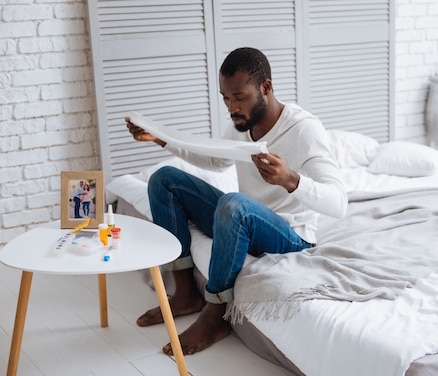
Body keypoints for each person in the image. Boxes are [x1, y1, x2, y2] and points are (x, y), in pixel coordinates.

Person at [125, 47, 347, 356]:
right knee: (164, 179)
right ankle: (186, 292)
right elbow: (216, 161)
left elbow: (339, 202)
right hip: (242, 220)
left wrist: (289, 179)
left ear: (265, 88)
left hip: (290, 235)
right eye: (226, 98)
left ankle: (216, 313)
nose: (232, 107)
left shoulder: (304, 129)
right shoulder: (242, 123)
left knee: (234, 203)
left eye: (239, 97)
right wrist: (162, 140)